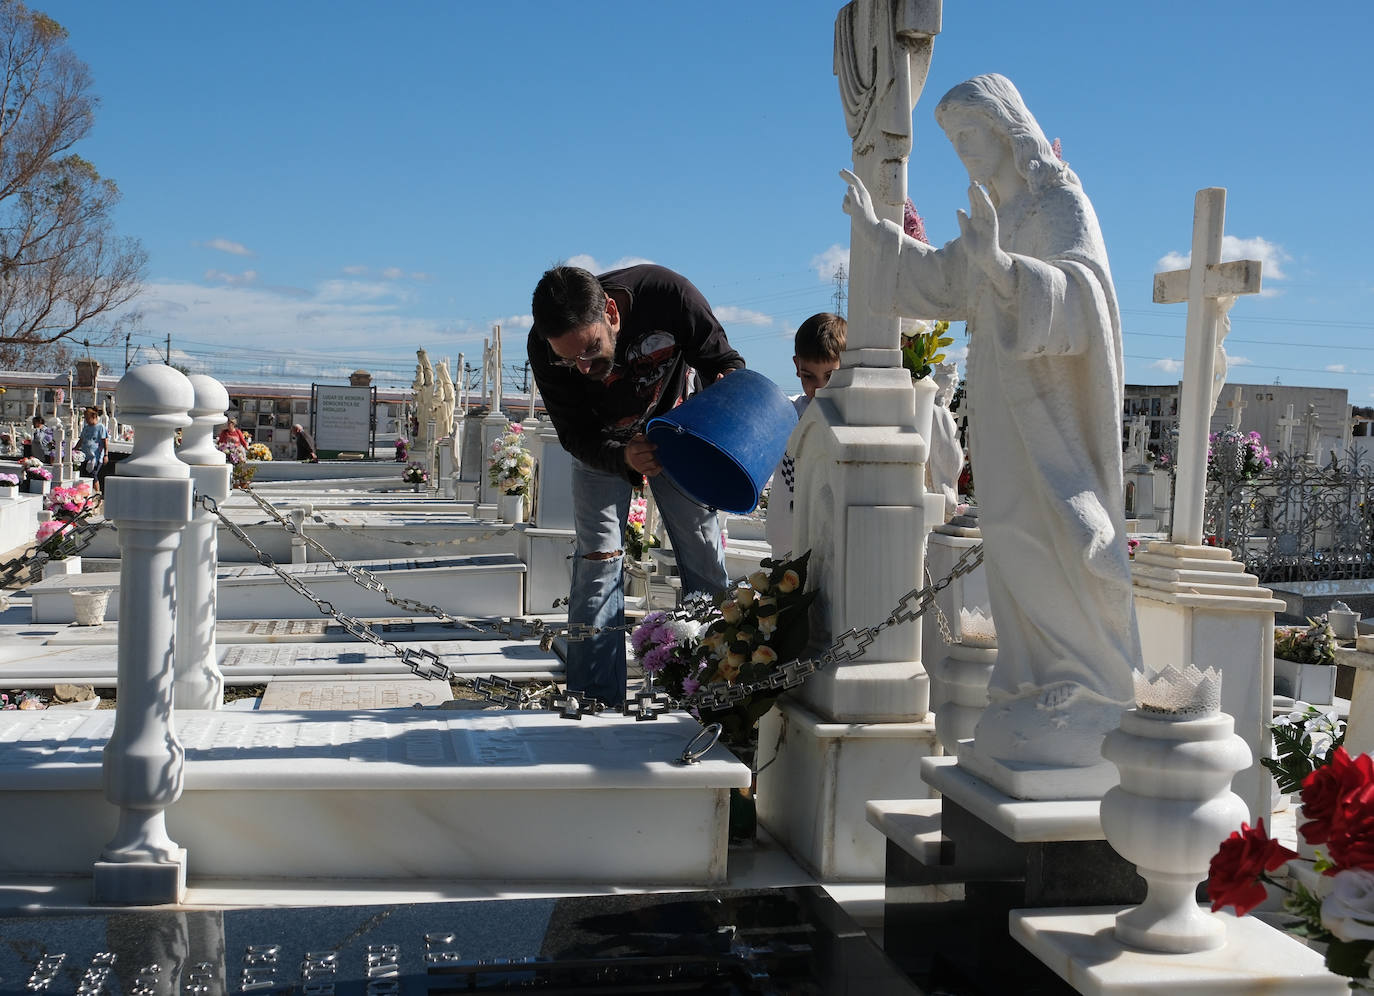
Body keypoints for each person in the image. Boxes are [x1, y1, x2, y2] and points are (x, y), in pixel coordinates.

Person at [841, 73, 1139, 769]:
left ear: (1008, 130)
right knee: (1010, 537)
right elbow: (946, 279)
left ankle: (1091, 687)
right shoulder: (994, 213)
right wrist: (876, 236)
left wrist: (1006, 270)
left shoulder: (1056, 200)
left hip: (1053, 413)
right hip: (1004, 411)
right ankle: (1035, 680)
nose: (968, 152)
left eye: (974, 136)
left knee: (1056, 537)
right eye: (956, 143)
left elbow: (1086, 297)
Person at [529, 263, 744, 707]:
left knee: (703, 553)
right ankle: (593, 699)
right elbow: (574, 435)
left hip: (676, 433)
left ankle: (714, 686)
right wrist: (623, 455)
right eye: (570, 360)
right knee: (598, 560)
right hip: (604, 448)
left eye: (590, 349)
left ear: (611, 311)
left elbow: (723, 361)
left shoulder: (670, 295)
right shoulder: (543, 346)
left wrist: (722, 391)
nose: (584, 368)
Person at [765, 312, 845, 559]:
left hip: (830, 545)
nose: (819, 388)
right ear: (796, 366)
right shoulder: (785, 412)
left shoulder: (851, 420)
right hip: (785, 543)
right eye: (809, 376)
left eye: (830, 377)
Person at [76, 407, 108, 489]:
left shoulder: (100, 427)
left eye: (87, 418)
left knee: (93, 475)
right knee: (84, 476)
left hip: (95, 456)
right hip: (85, 455)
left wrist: (106, 455)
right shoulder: (86, 427)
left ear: (93, 417)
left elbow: (105, 441)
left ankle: (97, 493)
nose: (86, 420)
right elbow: (81, 439)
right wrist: (75, 449)